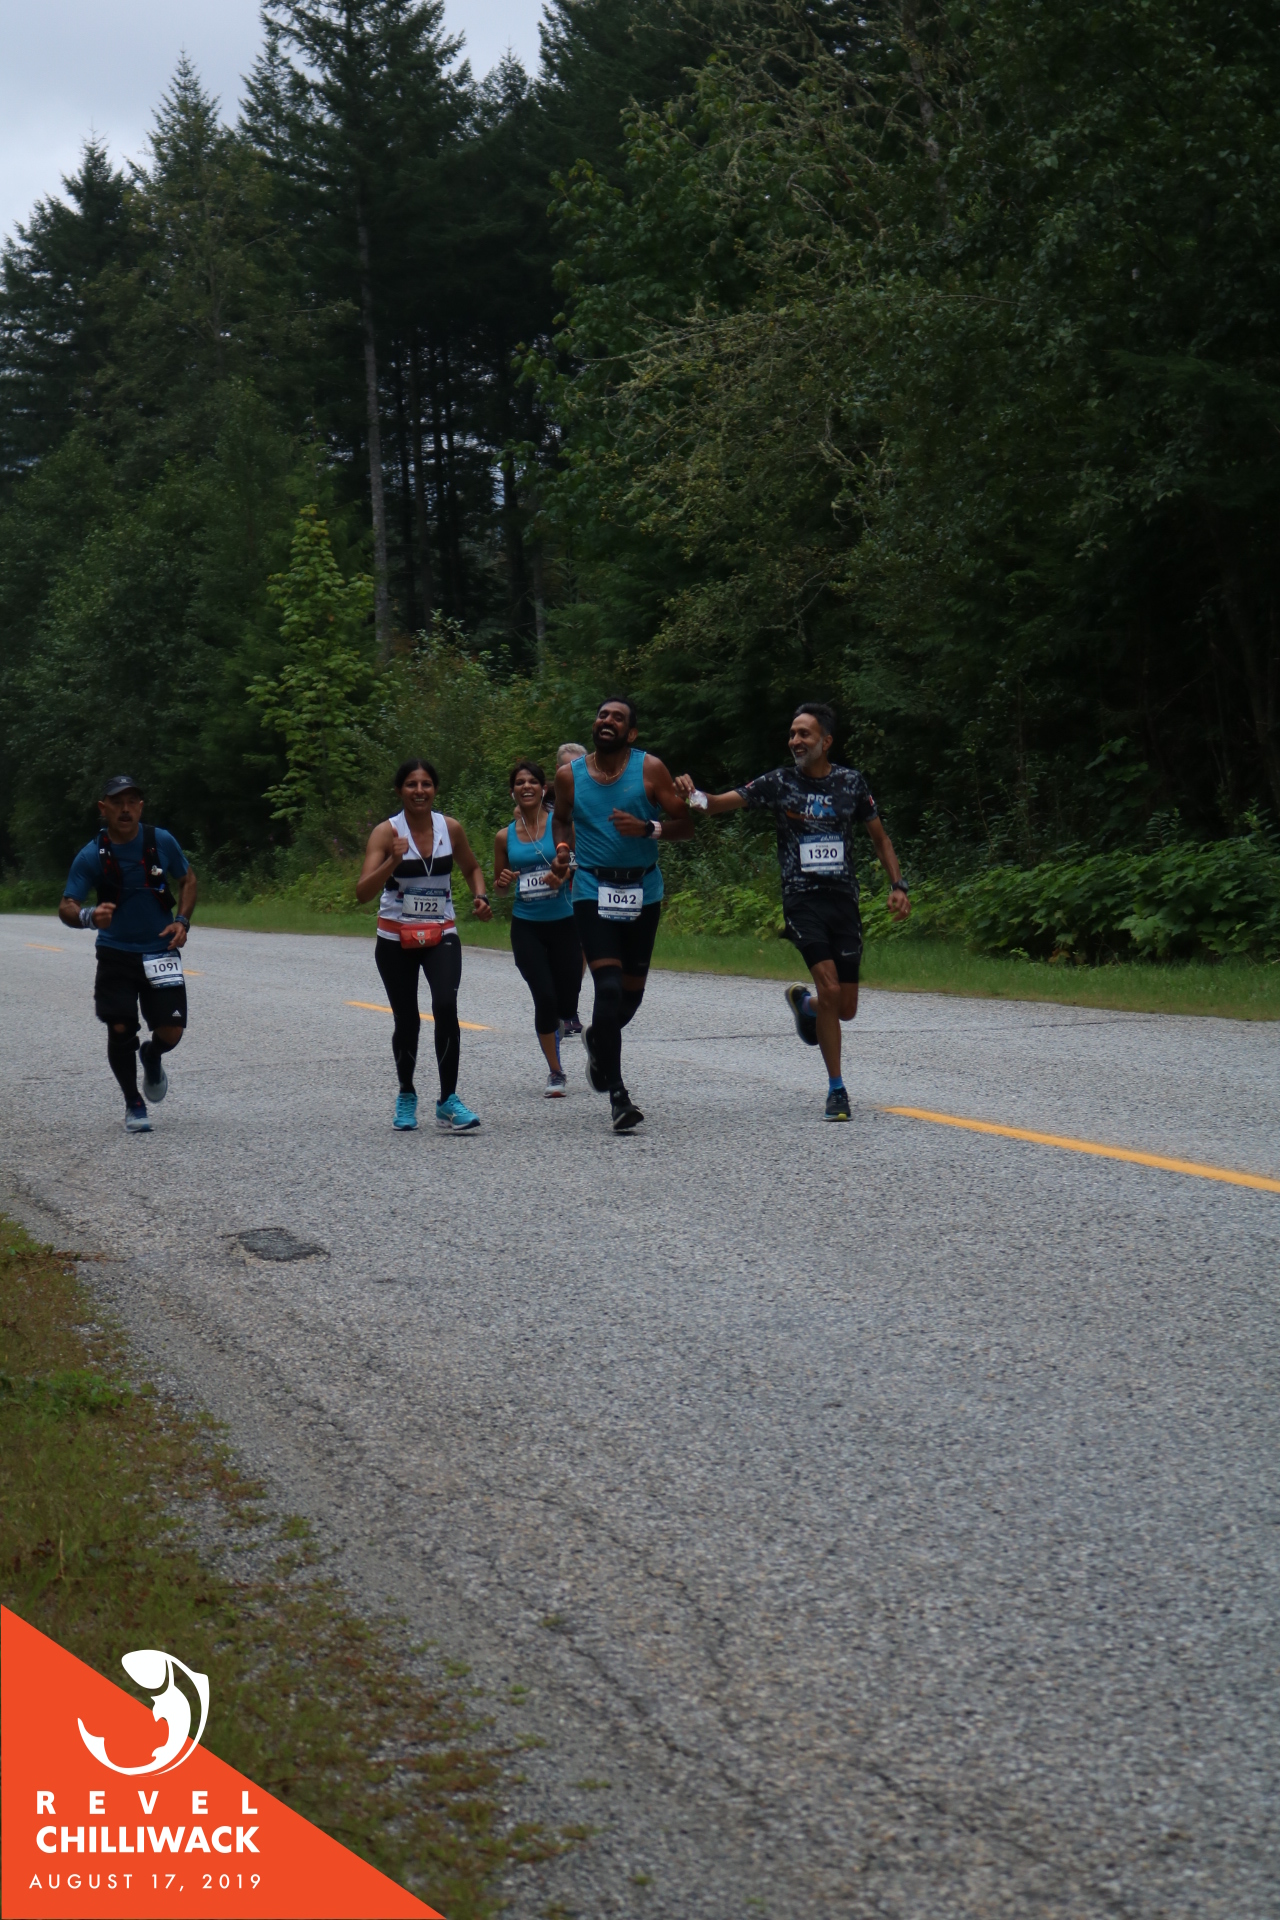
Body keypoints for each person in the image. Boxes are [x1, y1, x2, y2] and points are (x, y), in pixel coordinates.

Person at [676, 703, 909, 1121]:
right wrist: (689, 794)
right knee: (831, 989)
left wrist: (898, 886)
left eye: (805, 734)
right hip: (802, 901)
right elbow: (715, 804)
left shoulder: (851, 782)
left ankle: (805, 1006)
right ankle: (837, 1089)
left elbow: (880, 838)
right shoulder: (779, 782)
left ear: (826, 741)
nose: (796, 741)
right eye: (792, 734)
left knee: (845, 1007)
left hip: (844, 901)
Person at [548, 698, 693, 1132]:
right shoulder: (569, 776)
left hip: (643, 892)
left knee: (629, 998)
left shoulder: (651, 769)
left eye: (617, 718)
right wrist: (562, 849)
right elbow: (561, 820)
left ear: (631, 733)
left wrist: (648, 828)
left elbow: (685, 826)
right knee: (608, 989)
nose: (606, 721)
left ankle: (598, 1039)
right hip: (592, 889)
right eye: (602, 715)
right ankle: (618, 1096)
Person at [356, 759, 492, 1133]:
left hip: (440, 932)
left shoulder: (450, 828)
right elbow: (363, 892)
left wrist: (480, 896)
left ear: (435, 789)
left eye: (426, 784)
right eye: (412, 785)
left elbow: (471, 868)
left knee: (446, 1006)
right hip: (395, 936)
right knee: (407, 1020)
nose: (420, 791)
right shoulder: (385, 833)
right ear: (400, 790)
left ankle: (448, 1100)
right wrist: (392, 861)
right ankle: (406, 1092)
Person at [58, 775, 198, 1133]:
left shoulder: (160, 841)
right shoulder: (91, 855)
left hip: (160, 949)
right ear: (103, 808)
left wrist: (182, 921)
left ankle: (152, 1055)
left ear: (141, 807)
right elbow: (67, 906)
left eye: (132, 802)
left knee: (172, 1031)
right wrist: (89, 916)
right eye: (117, 802)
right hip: (115, 952)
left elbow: (188, 879)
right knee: (120, 1027)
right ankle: (133, 1102)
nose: (125, 809)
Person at [493, 760, 582, 1097]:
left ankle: (566, 1022)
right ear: (512, 791)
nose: (526, 786)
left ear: (544, 789)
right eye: (520, 782)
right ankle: (556, 1072)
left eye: (532, 781)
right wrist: (502, 884)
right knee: (544, 997)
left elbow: (580, 863)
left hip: (564, 922)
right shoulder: (504, 837)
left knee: (566, 1001)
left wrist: (563, 873)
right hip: (527, 926)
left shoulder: (561, 826)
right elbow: (501, 888)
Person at [555, 742, 589, 1033]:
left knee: (580, 950)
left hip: (583, 888)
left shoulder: (595, 802)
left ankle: (568, 1008)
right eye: (569, 768)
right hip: (551, 892)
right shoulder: (546, 807)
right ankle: (555, 1004)